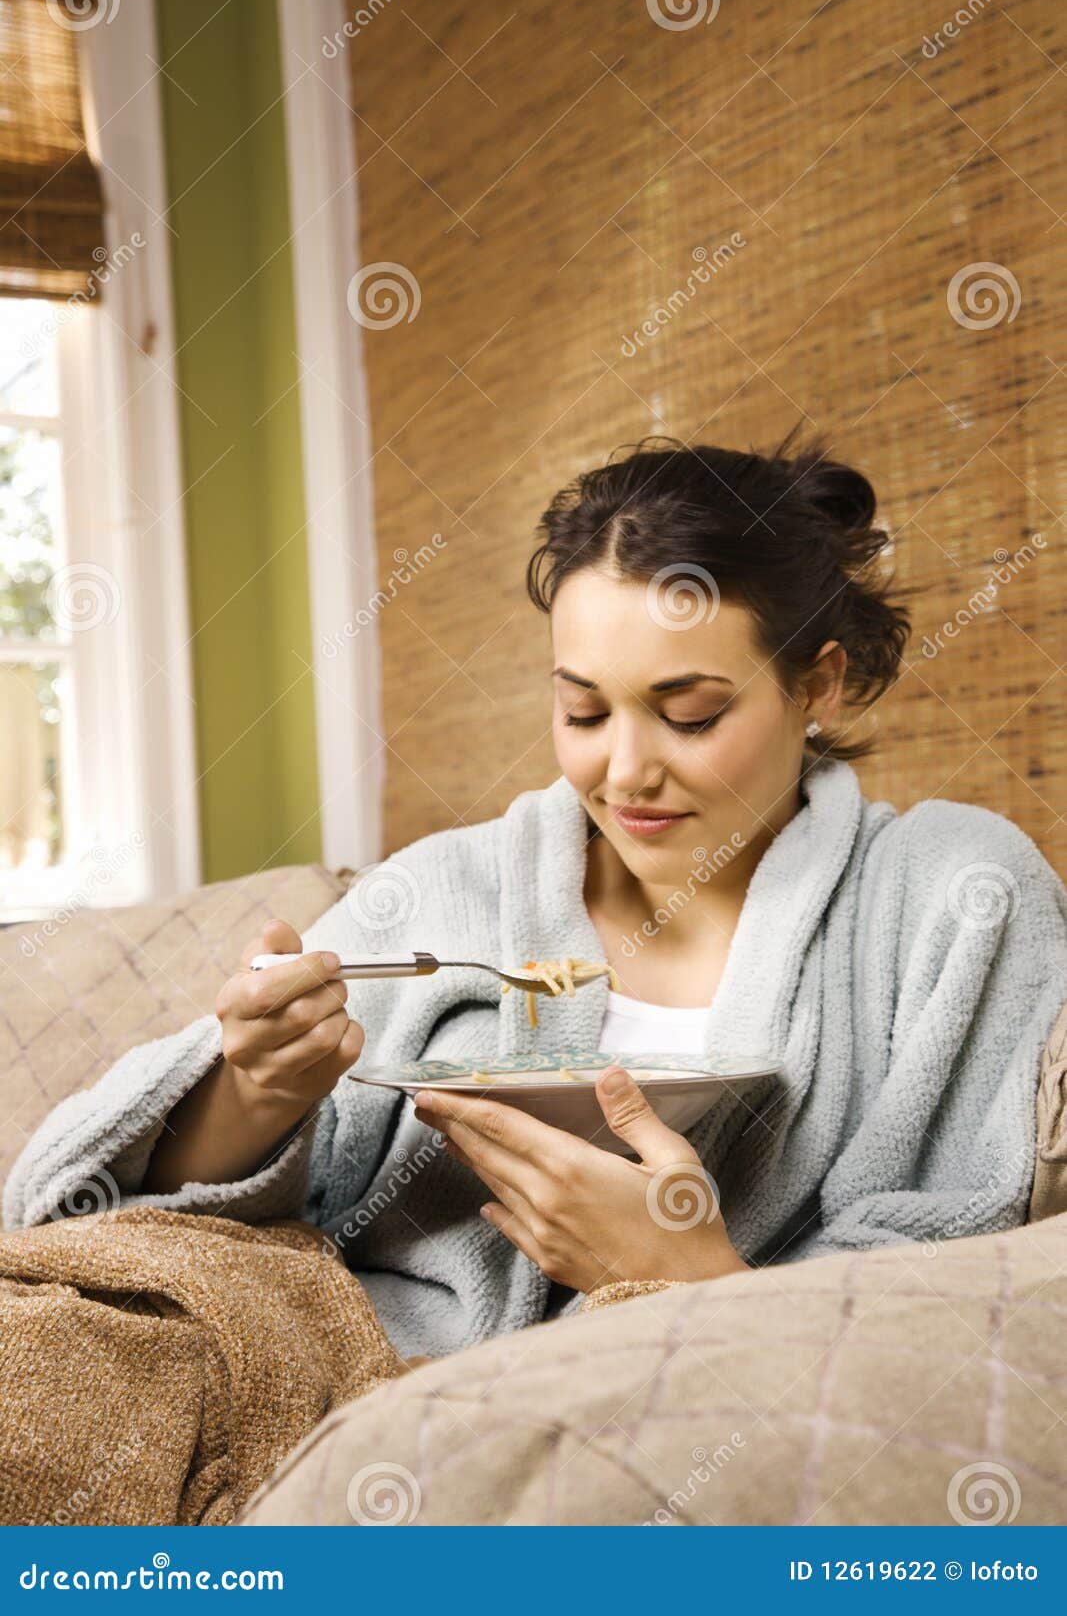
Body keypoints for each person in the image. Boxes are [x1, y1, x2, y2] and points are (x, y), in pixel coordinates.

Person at [7, 430, 1067, 1363]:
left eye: (689, 713)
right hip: (349, 1360)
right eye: (583, 711)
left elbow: (958, 1317)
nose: (626, 772)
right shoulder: (447, 890)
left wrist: (680, 1269)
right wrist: (256, 1089)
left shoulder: (952, 898)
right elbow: (96, 1203)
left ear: (819, 682)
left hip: (698, 1416)